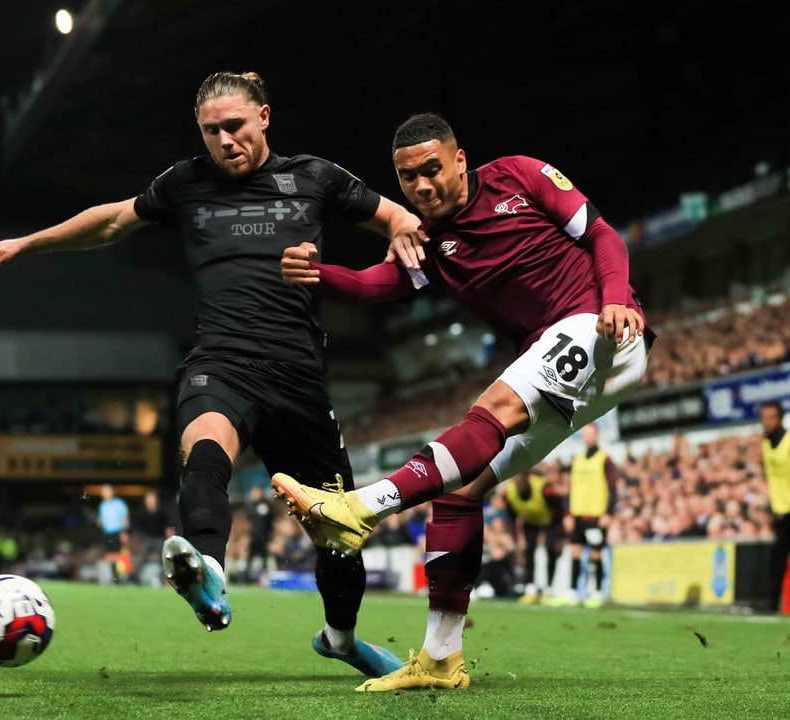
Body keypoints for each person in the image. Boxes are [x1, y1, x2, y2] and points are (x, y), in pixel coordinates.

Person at [0, 71, 421, 677]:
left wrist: (404, 236)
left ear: (263, 116)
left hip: (300, 379)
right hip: (222, 361)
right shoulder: (185, 183)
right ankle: (207, 569)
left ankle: (339, 637)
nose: (225, 141)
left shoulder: (316, 176)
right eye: (212, 131)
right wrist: (30, 242)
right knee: (206, 444)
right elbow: (110, 221)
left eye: (235, 126)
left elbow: (396, 218)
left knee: (338, 532)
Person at [272, 112, 654, 691]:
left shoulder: (521, 177)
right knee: (461, 487)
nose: (422, 186)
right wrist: (318, 273)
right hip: (557, 350)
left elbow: (602, 234)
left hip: (600, 328)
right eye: (408, 179)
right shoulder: (430, 244)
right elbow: (381, 284)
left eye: (432, 170)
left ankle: (361, 507)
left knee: (495, 406)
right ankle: (441, 658)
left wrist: (618, 297)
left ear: (459, 159)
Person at [553, 422, 618, 608]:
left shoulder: (604, 459)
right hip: (578, 515)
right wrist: (568, 513)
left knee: (596, 554)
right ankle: (572, 591)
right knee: (575, 552)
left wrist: (608, 512)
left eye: (591, 434)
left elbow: (613, 488)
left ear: (597, 436)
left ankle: (597, 592)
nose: (588, 437)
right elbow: (571, 489)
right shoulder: (578, 460)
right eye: (585, 434)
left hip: (596, 515)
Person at [504, 468, 565, 603]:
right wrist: (515, 541)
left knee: (550, 549)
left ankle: (548, 589)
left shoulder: (544, 489)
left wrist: (560, 537)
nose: (519, 482)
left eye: (522, 478)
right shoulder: (509, 492)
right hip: (530, 521)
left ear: (527, 478)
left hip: (550, 521)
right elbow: (511, 517)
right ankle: (530, 588)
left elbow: (559, 510)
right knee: (528, 552)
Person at [760, 400, 790, 613]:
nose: (766, 422)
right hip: (780, 512)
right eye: (763, 417)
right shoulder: (765, 444)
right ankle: (771, 606)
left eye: (771, 417)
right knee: (776, 559)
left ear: (780, 418)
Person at [97, 483, 131, 584]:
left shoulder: (119, 503)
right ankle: (113, 576)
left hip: (117, 532)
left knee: (118, 555)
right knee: (109, 555)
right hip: (107, 533)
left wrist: (124, 532)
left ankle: (120, 577)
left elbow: (125, 519)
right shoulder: (102, 505)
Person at [244, 485, 275, 581]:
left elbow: (270, 521)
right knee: (250, 556)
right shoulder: (250, 506)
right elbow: (247, 521)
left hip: (264, 536)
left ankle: (264, 578)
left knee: (264, 557)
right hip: (253, 536)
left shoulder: (266, 505)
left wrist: (271, 535)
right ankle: (246, 577)